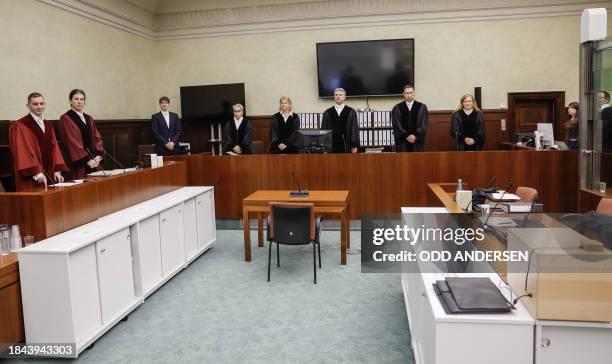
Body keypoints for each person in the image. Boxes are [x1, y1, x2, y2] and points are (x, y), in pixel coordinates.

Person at [9, 92, 68, 190]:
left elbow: (55, 149)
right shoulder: (20, 125)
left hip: (49, 173)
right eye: (35, 104)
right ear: (28, 105)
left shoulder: (48, 125)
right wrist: (37, 173)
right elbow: (22, 151)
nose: (39, 106)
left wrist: (57, 170)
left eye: (41, 103)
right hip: (33, 176)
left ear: (45, 104)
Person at [57, 89, 104, 179]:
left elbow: (97, 137)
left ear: (84, 102)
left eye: (82, 99)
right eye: (76, 99)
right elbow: (72, 142)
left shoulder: (89, 118)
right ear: (70, 101)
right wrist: (87, 160)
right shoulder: (66, 118)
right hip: (79, 164)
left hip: (94, 161)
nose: (79, 102)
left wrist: (98, 156)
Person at [391, 85, 429, 152]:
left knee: (416, 161)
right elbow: (397, 125)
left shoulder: (422, 107)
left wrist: (415, 136)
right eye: (407, 93)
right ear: (403, 94)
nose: (409, 95)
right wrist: (407, 136)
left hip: (416, 141)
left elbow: (424, 124)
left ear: (414, 93)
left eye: (411, 93)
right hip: (403, 142)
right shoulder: (397, 108)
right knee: (403, 161)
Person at [321, 88, 359, 153]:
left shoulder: (351, 112)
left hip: (346, 145)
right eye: (336, 95)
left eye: (340, 95)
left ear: (344, 97)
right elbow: (324, 130)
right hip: (331, 146)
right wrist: (324, 147)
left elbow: (354, 129)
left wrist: (354, 145)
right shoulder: (327, 112)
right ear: (334, 97)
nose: (338, 96)